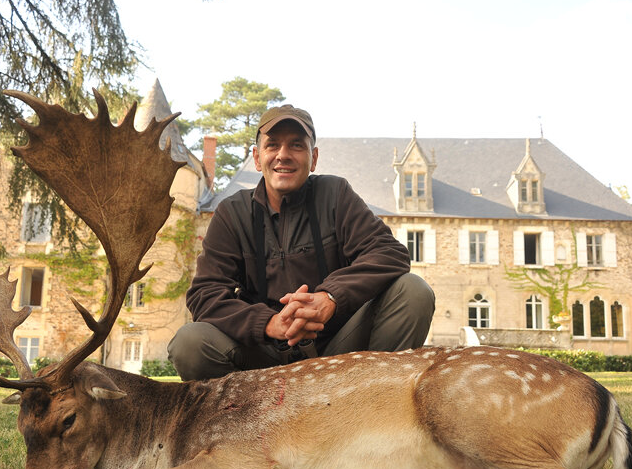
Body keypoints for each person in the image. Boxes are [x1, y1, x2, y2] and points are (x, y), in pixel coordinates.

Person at [168, 104, 435, 380]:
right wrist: (268, 323)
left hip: (337, 353)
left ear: (314, 157)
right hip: (260, 357)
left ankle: (372, 406)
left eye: (296, 145)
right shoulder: (232, 213)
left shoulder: (335, 195)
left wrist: (330, 297)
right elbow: (205, 294)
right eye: (273, 145)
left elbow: (389, 253)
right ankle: (244, 418)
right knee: (189, 342)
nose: (283, 155)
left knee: (413, 290)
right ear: (258, 158)